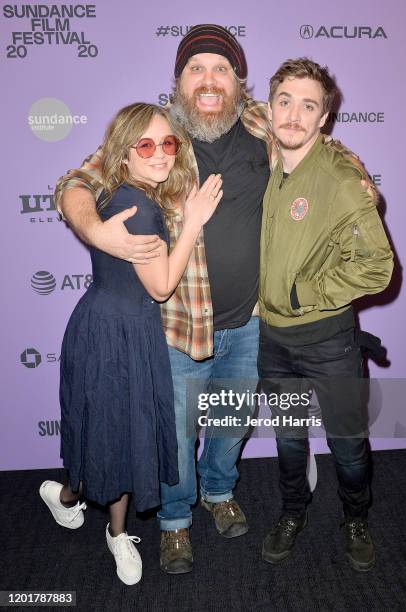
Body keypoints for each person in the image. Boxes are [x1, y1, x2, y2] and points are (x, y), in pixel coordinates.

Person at [54, 24, 376, 574]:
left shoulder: (261, 124)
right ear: (178, 80)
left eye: (221, 68)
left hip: (251, 324)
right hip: (178, 328)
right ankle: (175, 524)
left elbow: (320, 146)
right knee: (177, 435)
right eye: (196, 68)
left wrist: (359, 176)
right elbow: (75, 183)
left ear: (238, 81)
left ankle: (219, 491)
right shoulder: (155, 134)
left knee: (228, 426)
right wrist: (98, 231)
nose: (209, 80)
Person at [39, 103, 222, 586]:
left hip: (111, 325)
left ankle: (66, 499)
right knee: (119, 436)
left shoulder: (129, 193)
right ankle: (116, 534)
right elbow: (162, 287)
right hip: (117, 334)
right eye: (146, 145)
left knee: (105, 430)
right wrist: (196, 219)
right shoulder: (139, 207)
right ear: (124, 156)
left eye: (168, 144)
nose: (160, 154)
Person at [258, 58, 394, 571]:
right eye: (285, 101)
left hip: (328, 341)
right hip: (272, 341)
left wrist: (304, 293)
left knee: (348, 446)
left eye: (308, 105)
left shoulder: (340, 177)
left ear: (324, 119)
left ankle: (356, 517)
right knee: (290, 441)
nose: (293, 114)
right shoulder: (269, 160)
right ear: (270, 109)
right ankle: (293, 512)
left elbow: (378, 267)